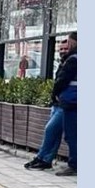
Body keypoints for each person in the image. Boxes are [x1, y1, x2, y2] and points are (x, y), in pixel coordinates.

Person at [25, 32, 77, 176]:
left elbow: (62, 81)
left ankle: (48, 159)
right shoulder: (67, 60)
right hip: (64, 102)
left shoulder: (73, 60)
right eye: (61, 49)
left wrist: (55, 93)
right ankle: (44, 158)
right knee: (55, 132)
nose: (63, 51)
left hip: (69, 102)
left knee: (57, 131)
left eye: (67, 47)